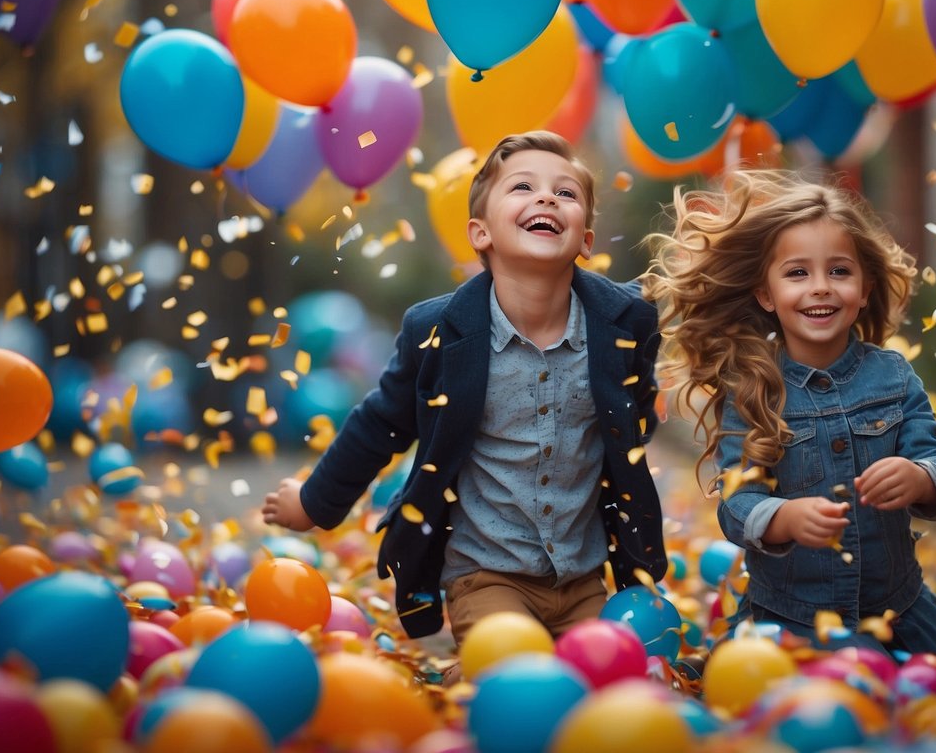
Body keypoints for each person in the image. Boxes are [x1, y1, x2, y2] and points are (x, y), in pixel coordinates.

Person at [262, 131, 668, 645]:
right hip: (484, 574)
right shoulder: (436, 332)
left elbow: (635, 411)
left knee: (606, 683)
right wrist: (313, 503)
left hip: (582, 577)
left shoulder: (626, 322)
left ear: (586, 239)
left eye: (566, 193)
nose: (546, 198)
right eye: (523, 187)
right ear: (481, 234)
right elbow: (381, 423)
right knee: (513, 670)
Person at [642, 169, 936, 677]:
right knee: (871, 680)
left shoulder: (894, 377)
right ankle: (744, 657)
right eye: (796, 273)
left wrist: (921, 477)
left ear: (863, 287)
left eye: (838, 271)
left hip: (898, 603)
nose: (820, 288)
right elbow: (736, 505)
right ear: (765, 294)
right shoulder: (752, 389)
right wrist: (784, 519)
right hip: (798, 613)